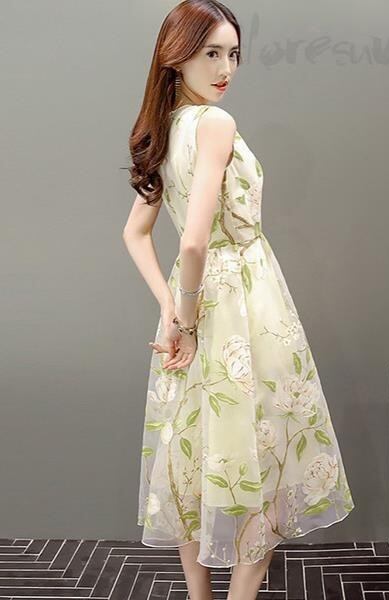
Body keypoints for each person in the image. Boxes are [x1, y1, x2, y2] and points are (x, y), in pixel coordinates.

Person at [122, 1, 355, 599]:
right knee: (263, 452)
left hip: (196, 299)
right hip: (243, 300)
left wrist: (172, 308)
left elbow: (136, 234)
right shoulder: (215, 124)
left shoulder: (167, 127)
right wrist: (187, 321)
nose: (225, 69)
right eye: (211, 54)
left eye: (233, 54)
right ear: (176, 58)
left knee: (196, 454)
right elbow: (194, 240)